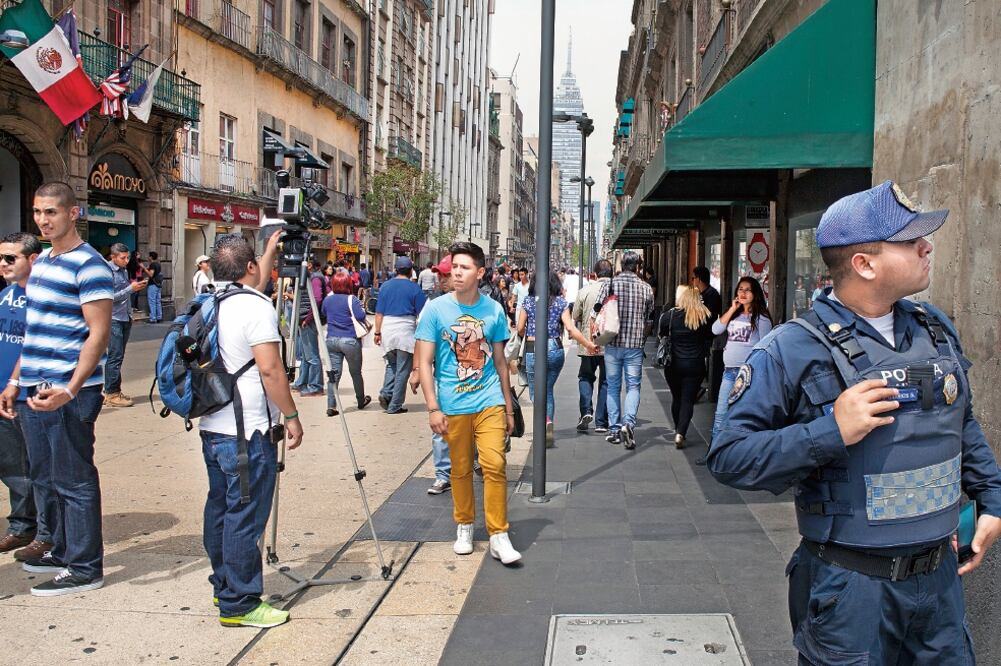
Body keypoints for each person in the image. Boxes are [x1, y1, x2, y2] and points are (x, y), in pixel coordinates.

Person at [708, 181, 1001, 664]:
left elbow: (961, 419)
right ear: (864, 264)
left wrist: (991, 497)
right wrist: (830, 432)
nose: (927, 247)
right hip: (851, 591)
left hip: (939, 583)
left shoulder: (935, 327)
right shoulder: (789, 348)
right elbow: (729, 455)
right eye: (910, 241)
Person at [0, 182, 113, 596]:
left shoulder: (90, 264)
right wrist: (16, 381)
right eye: (37, 212)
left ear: (73, 214)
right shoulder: (44, 262)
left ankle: (86, 567)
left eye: (51, 212)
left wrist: (71, 387)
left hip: (68, 393)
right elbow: (34, 332)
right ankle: (63, 550)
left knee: (75, 479)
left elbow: (99, 335)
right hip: (35, 388)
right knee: (46, 476)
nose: (43, 220)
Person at [197, 234, 302, 628]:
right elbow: (271, 370)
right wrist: (291, 415)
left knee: (220, 510)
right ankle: (239, 603)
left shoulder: (212, 300)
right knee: (245, 516)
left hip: (214, 426)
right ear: (251, 268)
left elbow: (250, 285)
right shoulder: (256, 308)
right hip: (249, 431)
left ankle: (222, 583)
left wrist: (270, 248)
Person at [414, 242, 521, 564]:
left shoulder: (494, 310)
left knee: (494, 463)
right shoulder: (435, 310)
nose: (457, 273)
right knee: (459, 469)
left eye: (464, 267)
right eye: (454, 267)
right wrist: (433, 407)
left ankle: (498, 534)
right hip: (452, 402)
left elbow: (501, 361)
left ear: (479, 272)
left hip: (489, 398)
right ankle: (464, 525)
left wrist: (508, 405)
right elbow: (424, 362)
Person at [0, 232, 47, 557]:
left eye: (9, 258)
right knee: (10, 465)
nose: (3, 264)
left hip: (24, 395)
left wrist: (14, 383)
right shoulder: (5, 294)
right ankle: (21, 523)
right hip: (4, 393)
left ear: (32, 259)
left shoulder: (43, 298)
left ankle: (35, 529)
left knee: (32, 468)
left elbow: (33, 345)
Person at [518, 270, 596, 445]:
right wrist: (589, 344)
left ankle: (545, 422)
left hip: (534, 346)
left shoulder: (529, 302)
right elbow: (570, 328)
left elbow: (520, 327)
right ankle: (548, 426)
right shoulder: (561, 302)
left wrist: (528, 333)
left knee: (535, 392)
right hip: (555, 347)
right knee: (547, 390)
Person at [410, 254, 458, 495]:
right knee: (440, 426)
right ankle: (442, 474)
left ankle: (473, 461)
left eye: (445, 274)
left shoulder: (478, 303)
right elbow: (421, 337)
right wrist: (417, 369)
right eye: (439, 274)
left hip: (472, 377)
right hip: (442, 375)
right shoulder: (433, 305)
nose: (441, 279)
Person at [596, 252, 653, 450]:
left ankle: (613, 429)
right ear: (637, 266)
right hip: (634, 345)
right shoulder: (646, 288)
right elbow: (648, 318)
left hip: (612, 343)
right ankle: (628, 424)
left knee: (613, 386)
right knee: (633, 386)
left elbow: (597, 308)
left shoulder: (610, 284)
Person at [709, 276, 772, 444]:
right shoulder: (734, 314)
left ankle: (740, 451)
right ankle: (714, 452)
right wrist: (731, 309)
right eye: (740, 289)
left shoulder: (761, 318)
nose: (743, 293)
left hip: (748, 374)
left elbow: (765, 346)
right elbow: (716, 329)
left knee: (744, 414)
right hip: (729, 372)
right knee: (721, 412)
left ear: (755, 294)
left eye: (747, 290)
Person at [661, 285, 713, 448]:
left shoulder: (668, 316)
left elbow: (662, 335)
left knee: (676, 398)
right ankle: (681, 433)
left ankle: (678, 428)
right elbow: (710, 336)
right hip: (695, 365)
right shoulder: (703, 316)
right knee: (687, 400)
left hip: (673, 365)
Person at [374, 257, 427, 414]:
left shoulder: (385, 287)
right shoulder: (415, 288)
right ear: (411, 271)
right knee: (403, 369)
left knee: (391, 365)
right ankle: (395, 405)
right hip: (406, 330)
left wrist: (377, 332)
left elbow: (378, 313)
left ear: (396, 270)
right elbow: (422, 314)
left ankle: (386, 393)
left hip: (387, 329)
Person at [321, 272, 372, 418]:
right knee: (355, 372)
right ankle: (361, 400)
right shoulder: (352, 299)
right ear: (348, 284)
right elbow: (361, 316)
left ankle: (331, 405)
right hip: (349, 340)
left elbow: (324, 312)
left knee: (334, 374)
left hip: (331, 340)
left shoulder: (328, 300)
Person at [104, 243, 147, 408]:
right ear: (113, 257)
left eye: (128, 257)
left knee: (118, 356)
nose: (127, 260)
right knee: (115, 356)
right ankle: (112, 393)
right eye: (123, 258)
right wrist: (130, 289)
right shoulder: (107, 271)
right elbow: (108, 297)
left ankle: (111, 390)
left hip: (125, 316)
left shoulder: (123, 270)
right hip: (113, 318)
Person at [572, 259, 613, 434]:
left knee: (585, 377)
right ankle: (602, 422)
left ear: (595, 274)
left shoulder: (585, 291)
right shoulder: (616, 290)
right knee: (606, 381)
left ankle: (586, 411)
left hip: (588, 344)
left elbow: (576, 315)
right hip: (610, 344)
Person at [289, 260, 325, 397]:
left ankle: (316, 386)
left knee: (312, 355)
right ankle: (302, 382)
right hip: (303, 318)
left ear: (309, 265)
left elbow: (316, 299)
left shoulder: (315, 278)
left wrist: (308, 318)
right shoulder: (308, 277)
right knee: (305, 355)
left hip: (307, 320)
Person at [143, 250, 163, 323]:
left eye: (148, 256)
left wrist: (144, 269)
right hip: (158, 284)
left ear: (151, 257)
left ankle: (153, 318)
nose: (147, 257)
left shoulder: (153, 265)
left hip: (153, 285)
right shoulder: (158, 264)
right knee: (158, 301)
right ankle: (159, 317)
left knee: (152, 301)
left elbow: (151, 274)